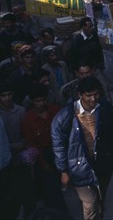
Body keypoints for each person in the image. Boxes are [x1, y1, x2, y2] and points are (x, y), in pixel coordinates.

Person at [51, 77, 113, 219]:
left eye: (96, 94)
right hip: (79, 168)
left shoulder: (105, 108)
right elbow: (58, 144)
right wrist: (63, 170)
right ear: (80, 94)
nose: (93, 98)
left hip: (104, 162)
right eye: (89, 95)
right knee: (90, 204)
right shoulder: (66, 115)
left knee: (100, 199)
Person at [21, 84, 67, 212]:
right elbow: (33, 146)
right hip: (43, 155)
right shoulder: (28, 120)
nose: (41, 103)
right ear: (32, 102)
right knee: (52, 189)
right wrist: (44, 164)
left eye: (43, 100)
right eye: (37, 101)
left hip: (59, 150)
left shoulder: (56, 111)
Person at [0, 79, 35, 218]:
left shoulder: (20, 111)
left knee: (28, 193)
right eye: (3, 95)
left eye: (9, 94)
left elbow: (26, 134)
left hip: (21, 158)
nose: (6, 98)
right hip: (7, 162)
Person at [68, 17, 111, 99]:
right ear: (83, 27)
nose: (91, 28)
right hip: (84, 71)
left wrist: (99, 65)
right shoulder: (77, 41)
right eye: (89, 27)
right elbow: (73, 58)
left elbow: (98, 51)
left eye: (92, 26)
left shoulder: (94, 36)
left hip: (94, 68)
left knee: (103, 86)